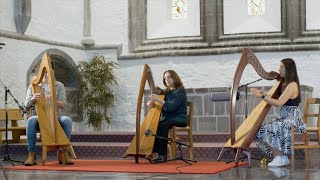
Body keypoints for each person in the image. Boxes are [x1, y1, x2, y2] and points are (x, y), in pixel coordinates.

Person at [250, 58, 306, 167]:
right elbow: (277, 98)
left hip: (292, 118)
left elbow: (278, 103)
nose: (279, 69)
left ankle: (281, 157)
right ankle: (279, 156)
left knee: (269, 128)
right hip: (284, 117)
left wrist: (261, 96)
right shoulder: (284, 83)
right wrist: (264, 94)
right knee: (260, 130)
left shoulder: (292, 85)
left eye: (281, 67)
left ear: (289, 69)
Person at [24, 62, 74, 166]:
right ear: (40, 73)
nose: (46, 74)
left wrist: (53, 99)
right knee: (31, 120)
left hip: (56, 116)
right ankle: (31, 154)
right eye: (44, 72)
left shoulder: (59, 86)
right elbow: (26, 106)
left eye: (49, 71)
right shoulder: (33, 86)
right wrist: (33, 99)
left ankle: (63, 153)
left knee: (67, 120)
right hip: (39, 116)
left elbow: (62, 105)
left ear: (53, 71)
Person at [147, 70, 188, 163]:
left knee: (162, 125)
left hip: (180, 119)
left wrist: (157, 99)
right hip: (169, 118)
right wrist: (151, 102)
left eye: (169, 77)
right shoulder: (166, 92)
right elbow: (161, 103)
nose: (167, 80)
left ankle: (163, 155)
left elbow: (171, 107)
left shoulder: (180, 92)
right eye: (165, 78)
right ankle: (153, 152)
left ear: (175, 77)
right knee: (156, 125)